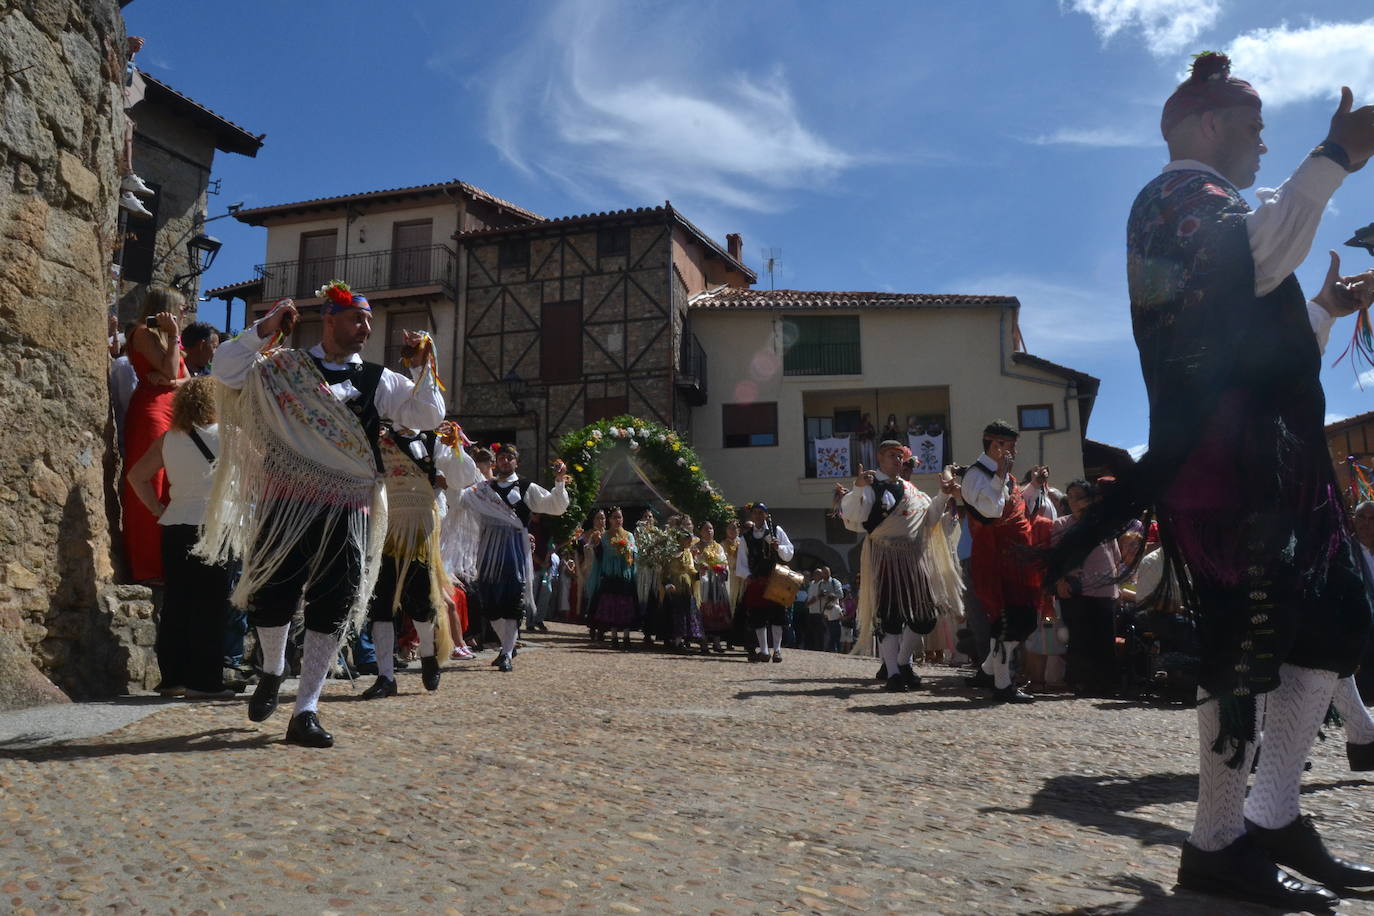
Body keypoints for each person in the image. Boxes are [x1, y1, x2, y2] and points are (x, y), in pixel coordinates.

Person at [1043, 53, 1374, 909]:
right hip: (1224, 477)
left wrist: (1322, 313)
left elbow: (1244, 327)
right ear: (1208, 125)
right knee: (1244, 650)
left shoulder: (1215, 210)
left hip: (1273, 465)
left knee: (1332, 625)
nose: (1265, 147)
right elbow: (1246, 264)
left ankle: (1274, 814)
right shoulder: (1172, 202)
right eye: (1256, 130)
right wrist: (1332, 160)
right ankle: (1217, 843)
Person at [201, 285, 445, 747]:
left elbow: (429, 414)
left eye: (369, 322)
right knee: (272, 594)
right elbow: (226, 369)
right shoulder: (283, 366)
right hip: (287, 498)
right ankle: (273, 668)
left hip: (349, 504)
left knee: (334, 601)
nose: (366, 329)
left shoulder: (381, 379)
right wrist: (265, 329)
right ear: (329, 319)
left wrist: (421, 367)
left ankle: (306, 709)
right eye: (357, 319)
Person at [127, 377, 236, 698]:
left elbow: (137, 476)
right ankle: (204, 681)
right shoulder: (231, 437)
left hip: (176, 525)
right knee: (212, 605)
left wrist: (158, 509)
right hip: (216, 525)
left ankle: (172, 677)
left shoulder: (168, 439)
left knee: (177, 603)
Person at [841, 441, 963, 691]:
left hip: (913, 558)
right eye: (891, 456)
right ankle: (896, 673)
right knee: (890, 616)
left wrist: (943, 494)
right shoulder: (871, 485)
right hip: (885, 556)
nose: (897, 460)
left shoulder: (913, 490)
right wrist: (858, 487)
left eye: (900, 456)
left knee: (925, 618)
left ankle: (901, 662)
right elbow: (853, 517)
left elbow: (930, 519)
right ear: (880, 458)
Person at [359, 420, 468, 699]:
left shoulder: (434, 441)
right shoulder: (378, 438)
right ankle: (385, 676)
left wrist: (455, 447)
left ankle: (429, 656)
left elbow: (462, 477)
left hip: (420, 525)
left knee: (419, 598)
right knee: (381, 603)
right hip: (388, 524)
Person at [450, 443, 570, 671]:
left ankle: (505, 653)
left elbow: (555, 505)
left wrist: (559, 481)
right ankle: (508, 645)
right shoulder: (483, 489)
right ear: (496, 462)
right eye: (502, 457)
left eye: (510, 457)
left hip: (515, 548)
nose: (505, 461)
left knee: (513, 599)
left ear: (517, 461)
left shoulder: (527, 487)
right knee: (490, 601)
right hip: (488, 549)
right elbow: (459, 500)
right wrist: (453, 473)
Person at [948, 421, 1041, 703]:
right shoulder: (975, 476)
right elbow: (991, 511)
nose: (1013, 452)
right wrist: (1001, 475)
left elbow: (1015, 504)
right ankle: (1002, 684)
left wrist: (1032, 486)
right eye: (1009, 446)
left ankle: (991, 670)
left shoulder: (1006, 476)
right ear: (995, 444)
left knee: (1023, 618)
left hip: (1014, 555)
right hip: (994, 557)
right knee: (1007, 620)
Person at [122, 286, 188, 583]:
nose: (184, 313)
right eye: (181, 307)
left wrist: (173, 381)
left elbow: (184, 378)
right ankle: (147, 567)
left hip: (173, 411)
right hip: (151, 412)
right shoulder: (142, 334)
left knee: (169, 485)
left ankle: (164, 562)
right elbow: (174, 370)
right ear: (165, 308)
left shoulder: (169, 340)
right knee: (150, 482)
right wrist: (173, 337)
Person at [1052, 479, 1122, 696]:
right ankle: (1081, 682)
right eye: (1070, 496)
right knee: (1080, 636)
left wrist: (1116, 587)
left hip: (1105, 589)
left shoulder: (1103, 525)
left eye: (1079, 496)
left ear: (1090, 500)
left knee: (1104, 637)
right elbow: (1054, 558)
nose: (1074, 501)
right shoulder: (1062, 525)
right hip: (1077, 589)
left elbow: (1115, 555)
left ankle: (1106, 684)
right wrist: (1060, 581)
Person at [735, 503, 794, 662]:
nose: (758, 516)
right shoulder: (746, 537)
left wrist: (778, 547)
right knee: (758, 616)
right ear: (752, 516)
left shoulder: (776, 530)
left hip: (776, 579)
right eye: (755, 513)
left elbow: (789, 553)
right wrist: (748, 576)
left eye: (761, 513)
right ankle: (764, 650)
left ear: (766, 515)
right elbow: (741, 562)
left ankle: (778, 650)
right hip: (757, 580)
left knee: (778, 616)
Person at [588, 507, 639, 649]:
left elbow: (634, 553)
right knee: (613, 605)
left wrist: (626, 550)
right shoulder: (605, 536)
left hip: (625, 575)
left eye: (620, 517)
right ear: (609, 520)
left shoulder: (629, 535)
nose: (618, 520)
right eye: (615, 517)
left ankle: (627, 636)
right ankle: (614, 636)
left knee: (626, 605)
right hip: (610, 575)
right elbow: (600, 556)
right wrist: (597, 545)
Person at [663, 527, 707, 654]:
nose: (688, 542)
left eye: (689, 540)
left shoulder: (688, 554)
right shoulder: (670, 553)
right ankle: (676, 641)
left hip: (686, 587)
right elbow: (665, 572)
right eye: (685, 540)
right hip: (675, 587)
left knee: (688, 613)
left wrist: (699, 573)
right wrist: (668, 584)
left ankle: (686, 640)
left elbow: (691, 570)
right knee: (676, 614)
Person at [694, 521, 732, 654]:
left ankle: (717, 642)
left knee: (717, 613)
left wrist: (721, 567)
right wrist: (700, 566)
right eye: (706, 529)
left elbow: (724, 561)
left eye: (711, 528)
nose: (709, 531)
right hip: (703, 583)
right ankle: (703, 642)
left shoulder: (718, 547)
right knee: (704, 612)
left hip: (716, 583)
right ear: (701, 531)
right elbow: (694, 561)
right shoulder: (697, 546)